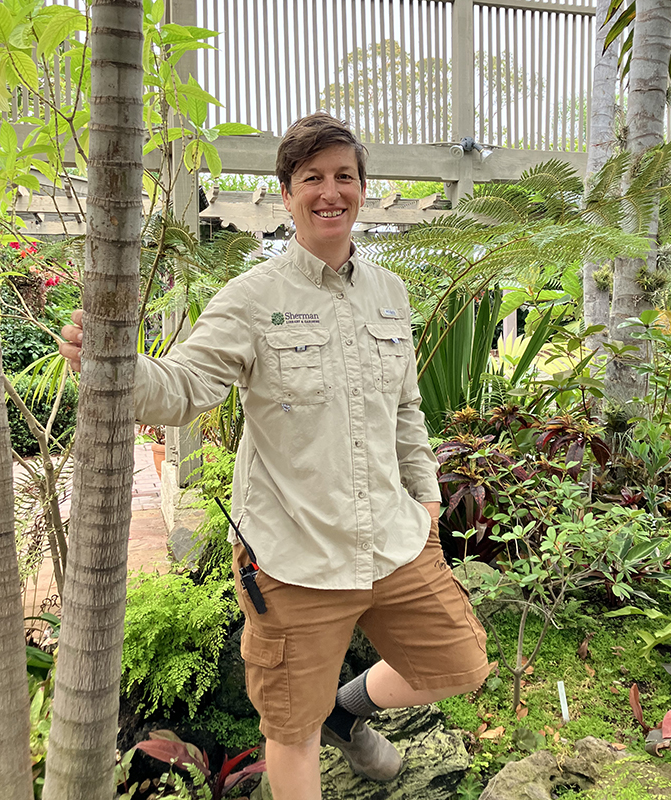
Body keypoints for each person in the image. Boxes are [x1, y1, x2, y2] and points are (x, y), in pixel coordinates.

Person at [60, 112, 489, 800]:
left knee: (459, 665)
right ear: (287, 196)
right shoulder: (255, 298)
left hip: (396, 539)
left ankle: (347, 711)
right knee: (292, 731)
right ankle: (324, 720)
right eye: (311, 178)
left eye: (343, 176)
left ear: (362, 189)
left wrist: (428, 496)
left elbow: (406, 409)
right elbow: (185, 387)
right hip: (293, 558)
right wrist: (112, 364)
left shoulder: (391, 295)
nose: (330, 192)